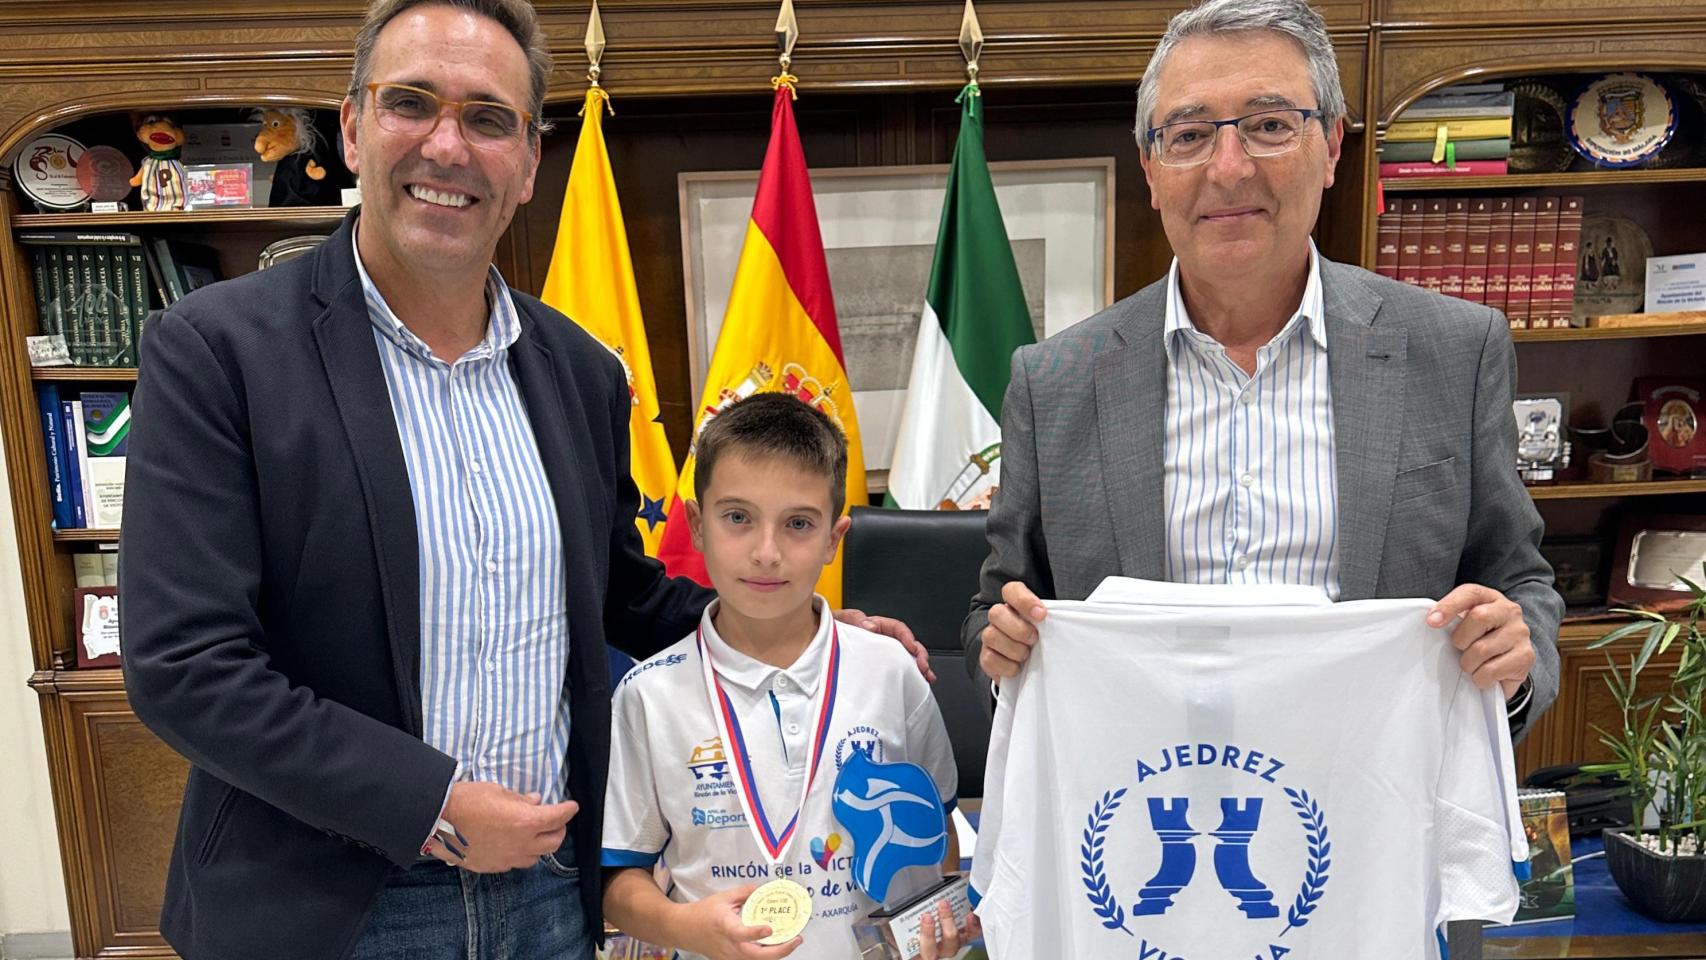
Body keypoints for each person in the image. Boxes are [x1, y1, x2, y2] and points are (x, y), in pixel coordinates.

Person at [118, 3, 924, 959]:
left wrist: (803, 633)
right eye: (411, 102)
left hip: (549, 893)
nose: (447, 145)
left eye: (489, 118)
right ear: (351, 127)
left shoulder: (582, 373)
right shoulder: (217, 352)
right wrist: (431, 806)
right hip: (329, 903)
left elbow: (620, 594)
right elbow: (186, 668)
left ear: (529, 163)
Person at [963, 0, 1562, 737]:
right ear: (1151, 170)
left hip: (1378, 799)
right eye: (1187, 136)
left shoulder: (1454, 351)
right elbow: (997, 612)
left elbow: (1517, 577)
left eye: (1270, 126)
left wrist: (1514, 667)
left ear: (1333, 145)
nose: (1228, 168)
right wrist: (1003, 656)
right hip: (1145, 811)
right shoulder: (1053, 381)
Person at [602, 393, 972, 960]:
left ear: (833, 538)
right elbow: (619, 884)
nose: (767, 552)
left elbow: (936, 830)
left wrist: (936, 926)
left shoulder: (890, 671)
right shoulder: (647, 695)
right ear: (697, 526)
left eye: (798, 523)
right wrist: (686, 929)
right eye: (738, 518)